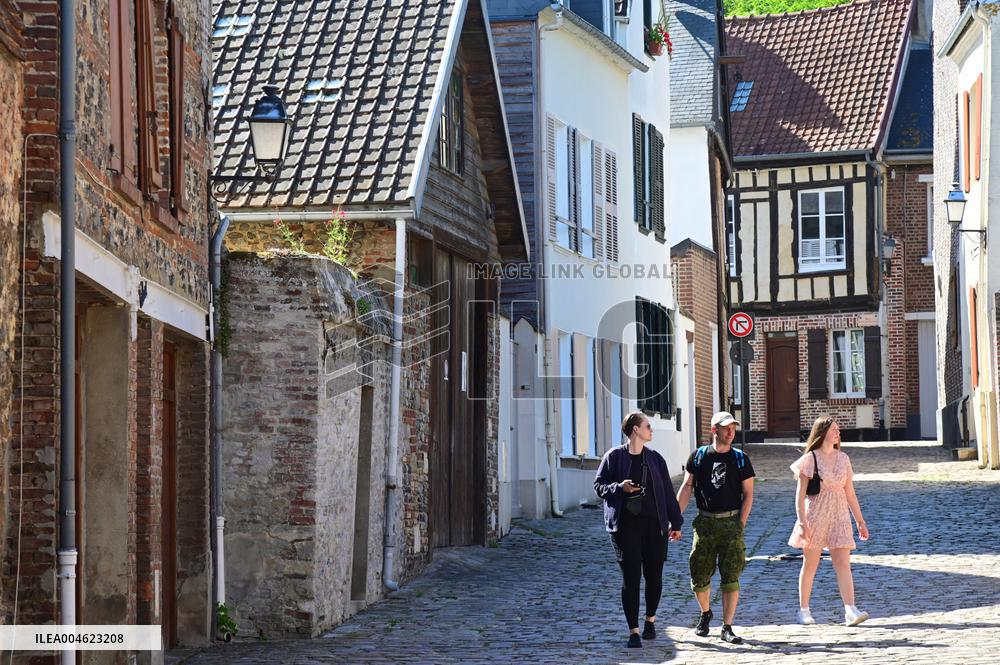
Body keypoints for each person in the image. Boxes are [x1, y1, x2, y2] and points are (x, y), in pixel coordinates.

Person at [594, 412, 683, 649]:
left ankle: (650, 620)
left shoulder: (655, 459)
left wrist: (676, 523)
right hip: (624, 527)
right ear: (635, 429)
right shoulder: (614, 457)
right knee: (631, 578)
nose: (651, 430)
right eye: (647, 426)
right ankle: (633, 631)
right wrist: (619, 487)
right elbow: (599, 486)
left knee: (654, 577)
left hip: (655, 526)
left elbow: (667, 492)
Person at [676, 411, 755, 644]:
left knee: (730, 575)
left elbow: (749, 494)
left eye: (733, 428)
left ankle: (727, 626)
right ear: (714, 430)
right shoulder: (699, 457)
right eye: (726, 428)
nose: (731, 432)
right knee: (699, 573)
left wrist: (740, 523)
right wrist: (674, 519)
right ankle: (705, 612)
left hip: (731, 522)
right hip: (705, 522)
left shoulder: (740, 459)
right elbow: (687, 486)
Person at [789, 415, 870, 626]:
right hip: (815, 515)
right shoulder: (810, 459)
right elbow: (800, 495)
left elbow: (850, 493)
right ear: (823, 432)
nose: (838, 433)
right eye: (834, 429)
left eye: (838, 430)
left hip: (840, 516)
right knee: (810, 564)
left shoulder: (844, 458)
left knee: (843, 563)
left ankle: (850, 610)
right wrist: (802, 522)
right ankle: (804, 610)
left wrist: (859, 520)